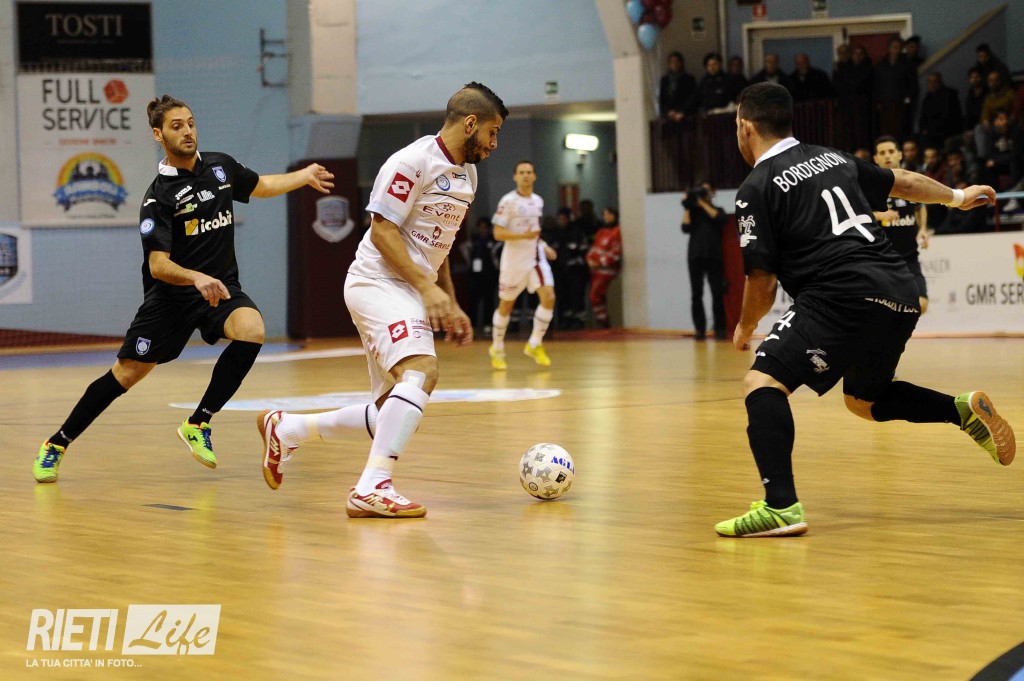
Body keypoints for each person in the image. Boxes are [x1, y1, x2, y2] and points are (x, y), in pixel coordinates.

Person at [717, 82, 1015, 538]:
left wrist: (745, 325)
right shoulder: (833, 158)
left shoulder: (755, 187)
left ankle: (780, 506)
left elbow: (762, 279)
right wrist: (957, 197)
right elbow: (904, 182)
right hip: (899, 291)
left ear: (745, 127)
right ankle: (961, 411)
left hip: (839, 295)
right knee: (865, 401)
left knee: (763, 382)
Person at [31, 94, 334, 483]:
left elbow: (261, 185)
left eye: (190, 123)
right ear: (158, 135)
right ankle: (56, 443)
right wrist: (195, 277)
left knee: (252, 329)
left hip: (219, 290)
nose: (188, 131)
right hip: (171, 300)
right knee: (125, 375)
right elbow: (158, 266)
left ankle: (198, 422)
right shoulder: (157, 197)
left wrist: (303, 176)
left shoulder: (220, 167)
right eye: (177, 126)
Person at [256, 82, 508, 519]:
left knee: (391, 408)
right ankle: (372, 487)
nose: (494, 143)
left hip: (411, 288)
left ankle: (288, 428)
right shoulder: (411, 161)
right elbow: (382, 231)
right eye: (493, 131)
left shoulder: (467, 174)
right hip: (378, 282)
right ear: (471, 123)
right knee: (422, 372)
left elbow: (440, 246)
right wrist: (426, 289)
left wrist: (448, 299)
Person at [487, 160, 555, 369]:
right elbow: (497, 233)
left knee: (549, 297)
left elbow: (535, 231)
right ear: (515, 177)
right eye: (521, 172)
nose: (525, 175)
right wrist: (522, 236)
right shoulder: (508, 201)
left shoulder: (538, 201)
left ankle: (534, 344)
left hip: (535, 258)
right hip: (514, 261)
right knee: (506, 305)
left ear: (534, 176)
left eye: (529, 172)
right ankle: (497, 347)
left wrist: (544, 246)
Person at [872, 136, 930, 313]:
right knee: (882, 309)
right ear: (876, 158)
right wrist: (879, 215)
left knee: (921, 305)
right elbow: (856, 214)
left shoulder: (910, 182)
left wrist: (923, 229)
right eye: (882, 153)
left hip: (909, 258)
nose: (887, 156)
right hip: (881, 260)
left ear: (899, 155)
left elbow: (920, 207)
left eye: (891, 151)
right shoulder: (870, 186)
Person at [681, 181, 727, 340]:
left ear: (713, 192)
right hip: (695, 256)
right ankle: (699, 330)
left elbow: (720, 219)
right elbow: (685, 227)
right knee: (696, 294)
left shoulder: (718, 210)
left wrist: (701, 202)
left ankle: (720, 329)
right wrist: (688, 204)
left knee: (717, 293)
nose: (702, 193)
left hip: (714, 256)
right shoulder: (693, 212)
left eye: (706, 190)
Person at [460, 216, 499, 332]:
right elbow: (463, 248)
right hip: (475, 274)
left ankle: (487, 323)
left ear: (488, 228)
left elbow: (497, 255)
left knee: (488, 300)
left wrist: (496, 266)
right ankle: (472, 323)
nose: (483, 229)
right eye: (481, 227)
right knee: (473, 299)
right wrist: (469, 262)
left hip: (489, 274)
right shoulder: (473, 239)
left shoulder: (493, 240)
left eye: (485, 227)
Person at [586, 207, 623, 328]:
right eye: (604, 214)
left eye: (609, 214)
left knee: (595, 296)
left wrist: (599, 262)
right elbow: (593, 249)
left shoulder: (617, 232)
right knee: (596, 297)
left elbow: (615, 254)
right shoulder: (601, 232)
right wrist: (589, 260)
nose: (606, 216)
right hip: (595, 271)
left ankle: (603, 321)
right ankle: (602, 320)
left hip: (607, 272)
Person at [659, 51, 697, 123]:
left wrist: (681, 112)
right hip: (669, 117)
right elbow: (662, 100)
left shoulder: (689, 79)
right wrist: (668, 112)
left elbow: (692, 99)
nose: (674, 64)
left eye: (677, 62)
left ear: (681, 63)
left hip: (685, 116)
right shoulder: (664, 80)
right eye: (672, 62)